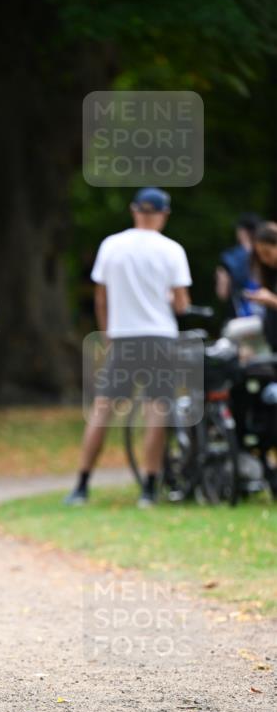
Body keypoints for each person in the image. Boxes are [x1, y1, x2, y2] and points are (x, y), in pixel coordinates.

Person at [65, 187, 192, 508]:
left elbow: (100, 297)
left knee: (103, 411)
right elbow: (181, 304)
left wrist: (108, 333)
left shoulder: (112, 245)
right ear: (163, 214)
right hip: (159, 338)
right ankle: (149, 488)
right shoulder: (172, 249)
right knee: (156, 411)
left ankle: (81, 484)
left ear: (135, 210)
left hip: (122, 338)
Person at [215, 212, 263, 319]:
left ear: (242, 232)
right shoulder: (267, 255)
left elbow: (222, 293)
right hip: (265, 319)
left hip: (239, 320)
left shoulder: (230, 257)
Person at [244, 221, 277, 351]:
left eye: (267, 253)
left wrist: (271, 300)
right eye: (260, 256)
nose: (264, 259)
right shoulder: (271, 273)